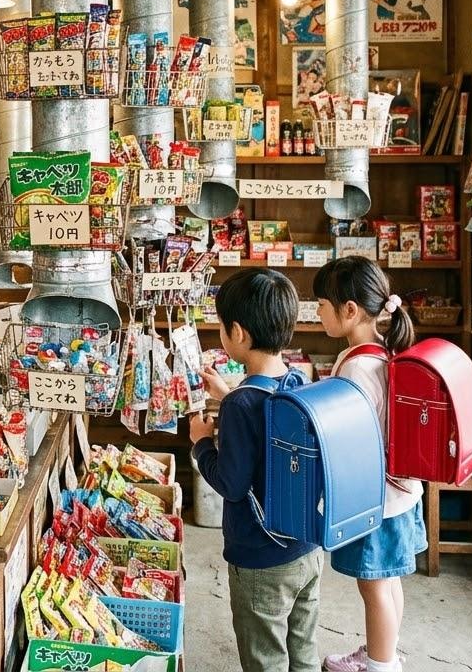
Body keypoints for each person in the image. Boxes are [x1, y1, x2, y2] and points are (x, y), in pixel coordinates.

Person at [189, 268, 323, 672]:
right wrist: (229, 393)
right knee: (303, 650)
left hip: (260, 559)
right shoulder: (298, 381)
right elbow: (268, 421)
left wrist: (200, 443)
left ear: (238, 333)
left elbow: (231, 483)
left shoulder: (240, 406)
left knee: (265, 657)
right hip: (306, 547)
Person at [314, 257, 426, 672]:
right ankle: (384, 653)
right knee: (389, 581)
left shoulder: (358, 366)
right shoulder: (383, 350)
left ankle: (380, 665)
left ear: (349, 310)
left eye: (322, 304)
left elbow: (351, 438)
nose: (318, 312)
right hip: (401, 492)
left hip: (376, 500)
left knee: (373, 585)